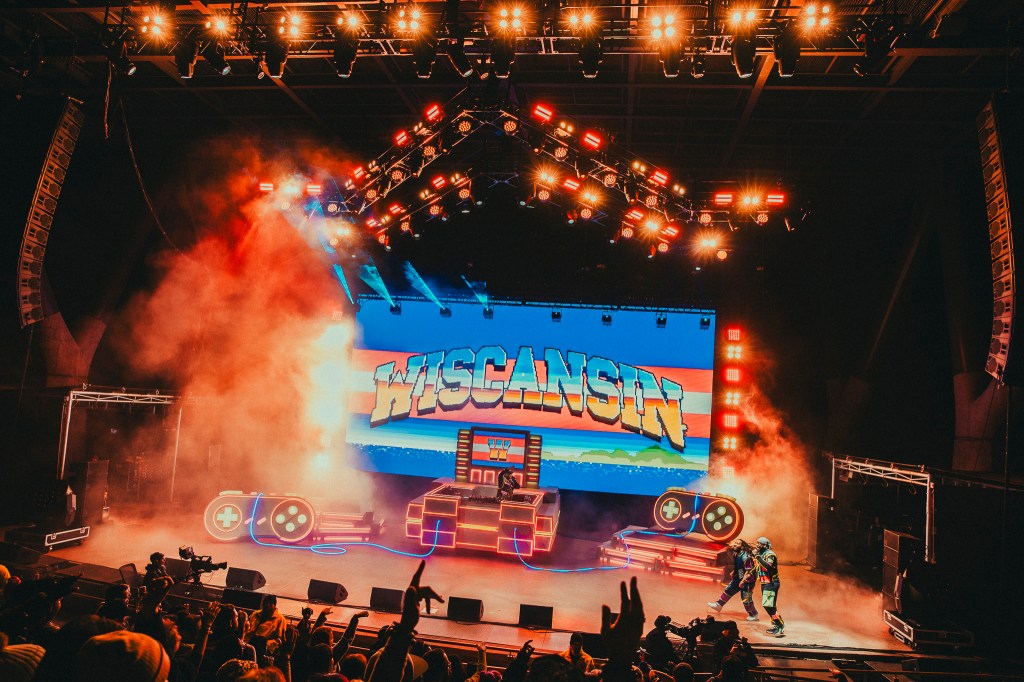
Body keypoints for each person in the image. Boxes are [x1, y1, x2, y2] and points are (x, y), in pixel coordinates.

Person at [707, 540, 759, 622]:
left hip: (748, 580)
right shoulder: (736, 554)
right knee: (729, 590)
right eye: (735, 543)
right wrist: (735, 572)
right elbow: (739, 566)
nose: (735, 544)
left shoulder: (746, 557)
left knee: (746, 598)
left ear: (742, 547)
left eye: (737, 543)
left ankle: (753, 614)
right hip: (739, 577)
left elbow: (749, 571)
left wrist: (743, 581)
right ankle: (719, 605)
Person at [752, 537, 785, 636]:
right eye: (757, 543)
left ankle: (779, 625)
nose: (757, 545)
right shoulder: (761, 555)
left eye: (760, 543)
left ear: (766, 545)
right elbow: (758, 568)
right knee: (770, 606)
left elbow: (768, 566)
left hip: (771, 583)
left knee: (768, 605)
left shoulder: (770, 554)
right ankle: (777, 624)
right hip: (765, 583)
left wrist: (757, 556)